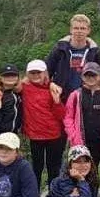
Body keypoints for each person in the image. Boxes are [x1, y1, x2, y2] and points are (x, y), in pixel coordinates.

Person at [21, 59, 66, 189]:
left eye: (38, 72)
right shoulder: (24, 87)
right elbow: (9, 81)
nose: (35, 75)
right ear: (27, 74)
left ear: (45, 73)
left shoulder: (54, 89)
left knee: (53, 167)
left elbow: (61, 115)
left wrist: (56, 101)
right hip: (35, 135)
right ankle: (34, 194)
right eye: (32, 73)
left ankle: (53, 193)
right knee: (36, 167)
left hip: (54, 135)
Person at [46, 14, 100, 103]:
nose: (79, 31)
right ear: (71, 30)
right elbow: (46, 73)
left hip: (86, 100)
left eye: (82, 28)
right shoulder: (59, 50)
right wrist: (51, 84)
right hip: (61, 98)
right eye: (76, 28)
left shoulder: (95, 53)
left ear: (88, 30)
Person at [64, 62, 100, 166]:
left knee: (95, 170)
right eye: (87, 75)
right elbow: (68, 118)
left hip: (99, 142)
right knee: (79, 169)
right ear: (82, 77)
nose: (90, 78)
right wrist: (74, 137)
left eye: (94, 75)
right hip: (79, 142)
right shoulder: (75, 95)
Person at [0, 64, 23, 158]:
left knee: (12, 163)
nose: (10, 77)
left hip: (12, 135)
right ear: (0, 78)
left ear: (18, 78)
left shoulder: (18, 93)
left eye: (13, 75)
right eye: (6, 75)